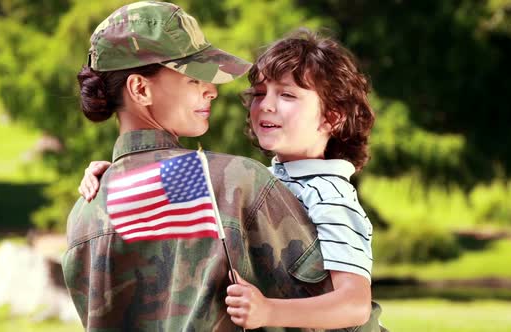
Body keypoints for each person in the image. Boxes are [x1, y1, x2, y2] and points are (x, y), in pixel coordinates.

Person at [63, 2, 331, 332]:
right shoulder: (238, 183)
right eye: (193, 78)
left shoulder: (84, 213)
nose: (212, 90)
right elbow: (340, 316)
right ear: (140, 89)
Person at [222, 28, 386, 330]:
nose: (266, 105)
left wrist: (268, 311)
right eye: (259, 94)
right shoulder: (265, 182)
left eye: (286, 94)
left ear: (331, 118)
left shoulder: (328, 195)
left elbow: (354, 304)